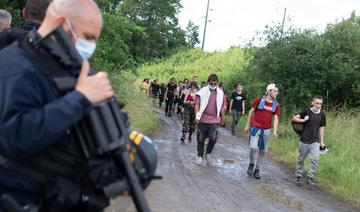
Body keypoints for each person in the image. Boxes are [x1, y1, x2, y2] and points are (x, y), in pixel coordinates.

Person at [0, 0, 113, 208]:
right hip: (17, 199)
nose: (91, 46)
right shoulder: (16, 65)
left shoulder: (60, 66)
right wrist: (81, 98)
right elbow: (15, 136)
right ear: (62, 24)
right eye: (88, 37)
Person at [244, 84, 280, 179]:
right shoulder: (259, 100)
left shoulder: (276, 104)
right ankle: (251, 164)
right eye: (275, 91)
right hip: (255, 128)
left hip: (267, 130)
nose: (277, 93)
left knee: (263, 151)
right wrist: (247, 125)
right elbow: (251, 111)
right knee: (253, 148)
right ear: (269, 91)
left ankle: (257, 170)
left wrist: (275, 131)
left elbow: (276, 118)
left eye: (277, 91)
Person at [292, 95, 326, 188]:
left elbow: (321, 128)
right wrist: (303, 119)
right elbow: (294, 118)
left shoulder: (322, 114)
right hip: (304, 140)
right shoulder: (306, 111)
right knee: (301, 160)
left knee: (315, 160)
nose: (318, 105)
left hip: (315, 141)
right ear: (312, 103)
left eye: (320, 104)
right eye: (317, 103)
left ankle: (309, 178)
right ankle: (298, 176)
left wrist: (322, 141)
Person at [195, 74, 226, 165]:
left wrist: (223, 118)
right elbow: (197, 104)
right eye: (211, 83)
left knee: (213, 139)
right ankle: (200, 156)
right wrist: (197, 116)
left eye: (215, 83)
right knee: (200, 138)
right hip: (203, 119)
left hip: (214, 120)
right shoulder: (202, 91)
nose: (213, 85)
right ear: (208, 82)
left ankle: (208, 153)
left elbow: (222, 107)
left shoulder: (221, 93)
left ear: (217, 83)